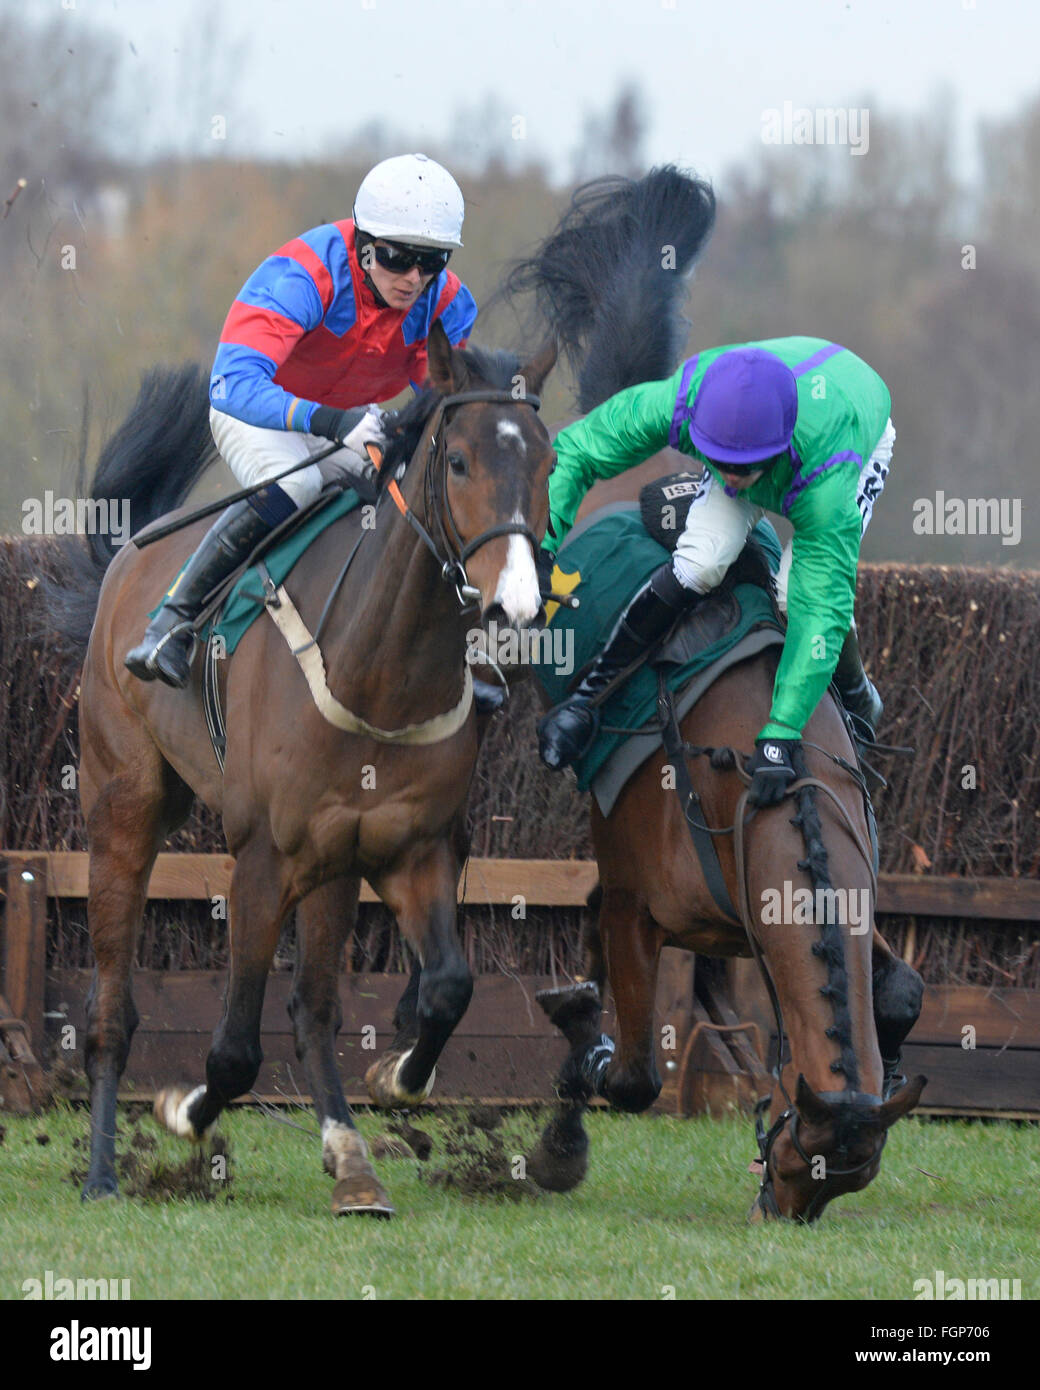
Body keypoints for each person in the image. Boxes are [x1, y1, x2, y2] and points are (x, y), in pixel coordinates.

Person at [126, 152, 477, 688]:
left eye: (432, 262)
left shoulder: (447, 304)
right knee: (298, 483)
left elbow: (441, 407)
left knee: (418, 495)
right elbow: (234, 383)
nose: (413, 279)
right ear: (363, 245)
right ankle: (172, 622)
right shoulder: (303, 275)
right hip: (259, 412)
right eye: (398, 257)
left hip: (348, 421)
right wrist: (334, 423)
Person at [536, 337, 894, 806]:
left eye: (742, 468)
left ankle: (860, 695)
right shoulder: (681, 402)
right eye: (718, 460)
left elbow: (820, 606)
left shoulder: (828, 477)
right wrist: (543, 548)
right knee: (701, 563)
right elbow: (578, 450)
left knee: (794, 595)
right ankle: (586, 699)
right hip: (771, 425)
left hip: (848, 441)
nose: (727, 477)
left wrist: (780, 732)